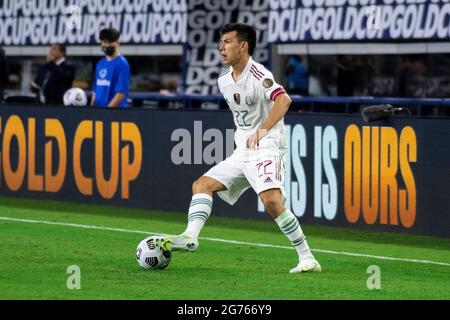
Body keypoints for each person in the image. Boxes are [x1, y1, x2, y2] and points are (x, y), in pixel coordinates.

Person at [168, 23, 321, 273]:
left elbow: (284, 100)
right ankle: (190, 236)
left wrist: (262, 131)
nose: (221, 47)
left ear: (243, 46)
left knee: (271, 201)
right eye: (221, 42)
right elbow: (241, 115)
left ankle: (307, 258)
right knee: (202, 185)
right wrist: (246, 137)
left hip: (267, 146)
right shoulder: (224, 80)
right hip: (242, 151)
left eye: (227, 41)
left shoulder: (260, 74)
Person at [91, 28, 130, 108]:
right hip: (98, 112)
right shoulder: (100, 63)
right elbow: (95, 89)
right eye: (105, 42)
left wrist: (108, 112)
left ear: (117, 43)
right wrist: (92, 107)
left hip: (115, 114)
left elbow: (121, 93)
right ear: (101, 42)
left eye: (110, 42)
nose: (107, 45)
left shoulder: (122, 64)